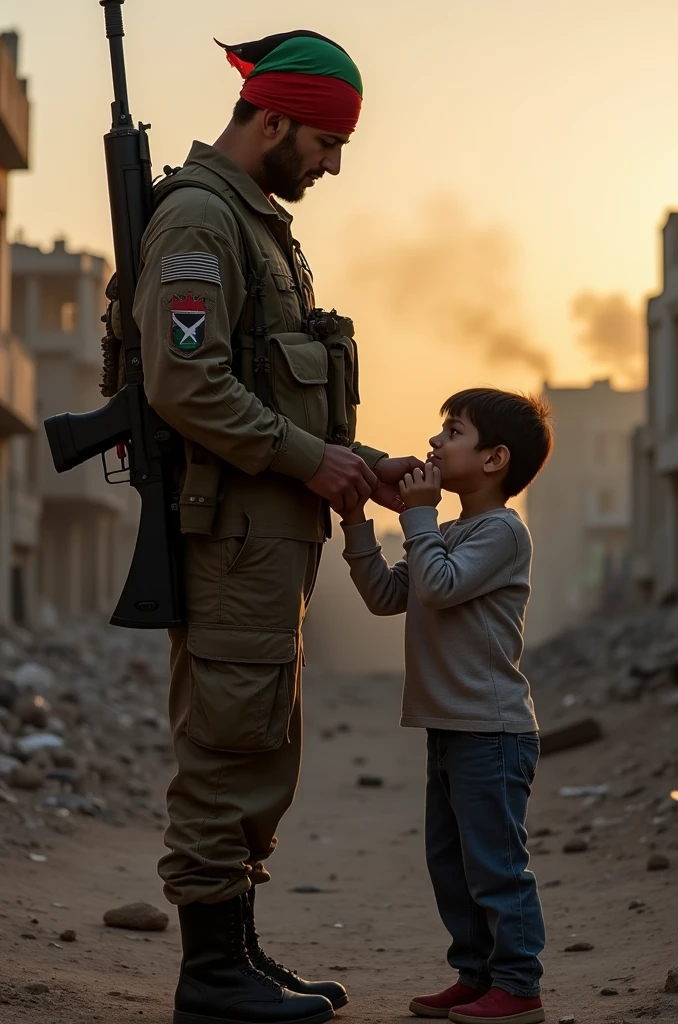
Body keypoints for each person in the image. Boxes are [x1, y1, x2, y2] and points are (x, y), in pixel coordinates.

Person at [133, 28, 421, 1024]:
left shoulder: (255, 225)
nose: (334, 163)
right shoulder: (200, 223)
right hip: (232, 538)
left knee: (260, 740)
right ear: (272, 118)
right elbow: (184, 381)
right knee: (227, 744)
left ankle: (239, 957)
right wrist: (312, 460)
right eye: (326, 141)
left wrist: (359, 461)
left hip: (267, 532)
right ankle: (210, 978)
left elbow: (274, 388)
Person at [340, 388, 553, 1024]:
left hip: (493, 730)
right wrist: (355, 522)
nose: (434, 444)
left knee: (496, 865)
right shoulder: (451, 529)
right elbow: (388, 595)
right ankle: (476, 974)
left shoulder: (503, 532)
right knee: (452, 863)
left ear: (494, 460)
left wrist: (419, 515)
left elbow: (439, 585)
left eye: (452, 432)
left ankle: (518, 986)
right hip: (452, 728)